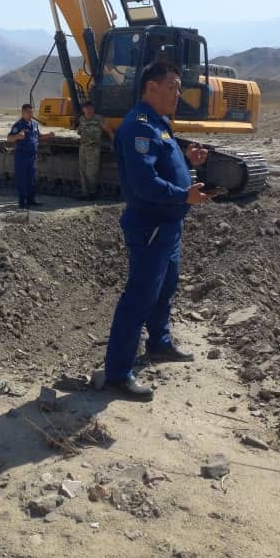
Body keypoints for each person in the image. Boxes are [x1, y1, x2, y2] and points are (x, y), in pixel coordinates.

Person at [104, 61, 214, 399]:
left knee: (165, 288)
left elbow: (163, 161)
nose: (178, 94)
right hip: (150, 226)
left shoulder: (158, 123)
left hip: (169, 225)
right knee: (139, 297)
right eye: (172, 87)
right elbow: (144, 183)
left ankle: (158, 343)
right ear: (151, 87)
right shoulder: (138, 126)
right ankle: (117, 373)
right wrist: (183, 195)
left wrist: (188, 159)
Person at [7, 103, 55, 209]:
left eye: (32, 112)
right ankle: (22, 202)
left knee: (31, 179)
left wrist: (48, 135)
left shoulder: (34, 124)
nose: (31, 114)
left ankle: (31, 200)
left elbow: (38, 137)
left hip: (32, 156)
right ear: (23, 112)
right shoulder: (18, 125)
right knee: (22, 179)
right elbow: (9, 138)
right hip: (22, 156)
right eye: (28, 112)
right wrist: (17, 136)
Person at [76, 101, 114, 200]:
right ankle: (85, 193)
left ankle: (93, 192)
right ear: (83, 109)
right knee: (82, 171)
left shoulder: (98, 119)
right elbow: (79, 131)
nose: (88, 110)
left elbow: (109, 130)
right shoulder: (81, 119)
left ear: (93, 109)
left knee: (91, 172)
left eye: (90, 108)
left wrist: (114, 141)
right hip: (83, 148)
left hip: (93, 149)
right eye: (86, 108)